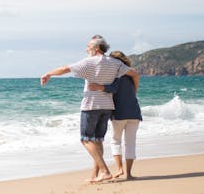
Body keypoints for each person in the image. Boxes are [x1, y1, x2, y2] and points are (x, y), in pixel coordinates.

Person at [40, 35, 137, 183]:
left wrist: (49, 74)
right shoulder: (116, 63)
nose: (86, 49)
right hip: (107, 107)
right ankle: (95, 175)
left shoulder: (90, 62)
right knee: (97, 141)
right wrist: (134, 91)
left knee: (85, 139)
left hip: (91, 106)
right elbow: (134, 73)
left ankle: (105, 172)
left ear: (96, 48)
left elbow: (66, 68)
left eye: (88, 46)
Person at [89, 51, 141, 180]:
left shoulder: (115, 75)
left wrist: (98, 86)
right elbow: (133, 90)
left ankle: (119, 169)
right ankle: (129, 174)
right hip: (134, 112)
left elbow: (113, 88)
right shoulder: (130, 75)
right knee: (130, 143)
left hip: (119, 113)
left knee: (116, 141)